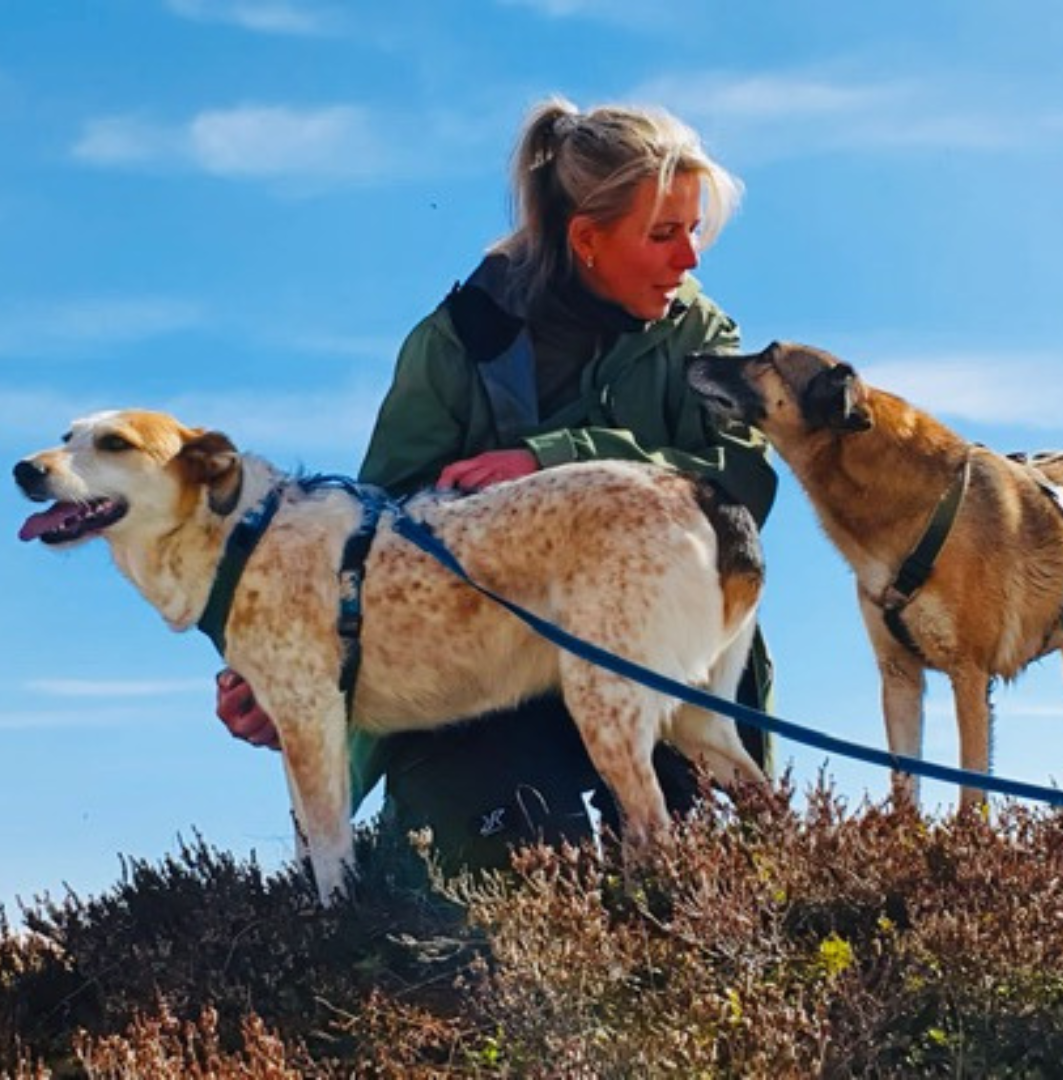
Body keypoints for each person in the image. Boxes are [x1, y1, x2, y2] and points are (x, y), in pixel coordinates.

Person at [217, 94, 778, 876]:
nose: (690, 259)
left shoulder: (700, 336)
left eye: (694, 229)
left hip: (657, 638)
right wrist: (290, 669)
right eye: (663, 234)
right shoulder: (456, 343)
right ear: (587, 239)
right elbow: (366, 540)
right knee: (486, 899)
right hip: (481, 667)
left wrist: (553, 458)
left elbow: (744, 487)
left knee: (725, 875)